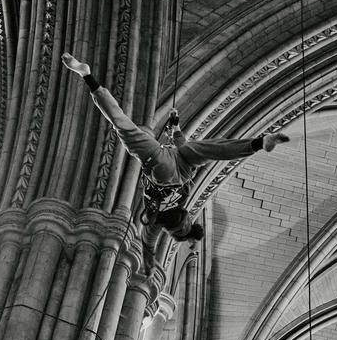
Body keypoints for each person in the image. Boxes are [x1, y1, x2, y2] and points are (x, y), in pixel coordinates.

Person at [61, 52, 288, 250]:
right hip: (169, 169)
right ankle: (87, 76)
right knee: (129, 128)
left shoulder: (162, 220)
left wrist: (151, 259)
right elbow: (181, 147)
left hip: (169, 170)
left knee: (207, 149)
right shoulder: (162, 219)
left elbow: (150, 240)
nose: (186, 223)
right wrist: (176, 126)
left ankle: (88, 76)